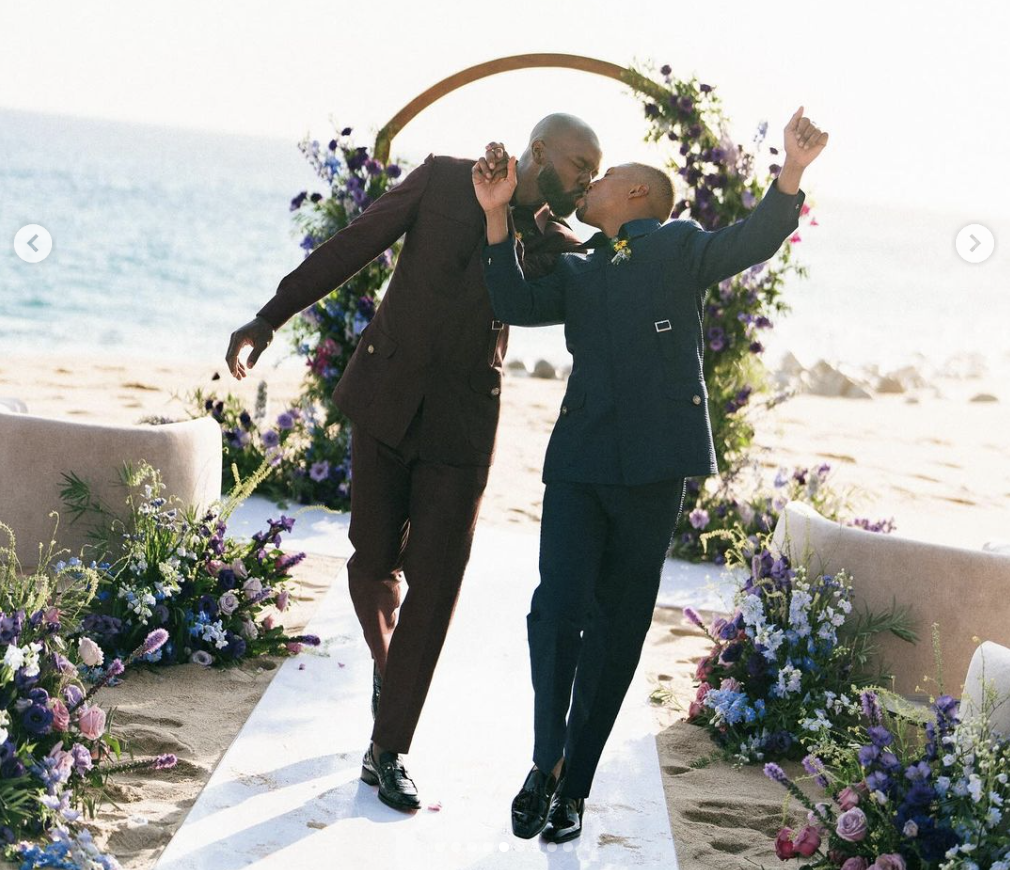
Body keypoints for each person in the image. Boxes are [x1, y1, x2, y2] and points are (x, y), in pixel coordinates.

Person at [472, 105, 828, 843]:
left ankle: (575, 783)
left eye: (605, 178)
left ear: (638, 195)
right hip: (579, 466)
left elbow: (756, 237)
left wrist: (791, 170)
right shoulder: (577, 268)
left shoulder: (677, 246)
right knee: (555, 612)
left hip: (655, 471)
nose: (591, 184)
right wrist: (496, 218)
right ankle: (545, 762)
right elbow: (509, 299)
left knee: (618, 628)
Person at [225, 114, 602, 811]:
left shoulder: (555, 243)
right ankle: (391, 671)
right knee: (371, 561)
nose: (587, 180)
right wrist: (269, 317)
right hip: (386, 397)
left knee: (435, 585)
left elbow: (573, 284)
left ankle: (388, 748)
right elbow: (354, 245)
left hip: (462, 430)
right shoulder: (441, 178)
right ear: (541, 150)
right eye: (581, 164)